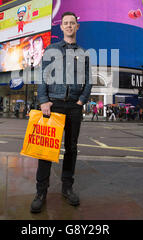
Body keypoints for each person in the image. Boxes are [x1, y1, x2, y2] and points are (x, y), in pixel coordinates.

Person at [31, 11, 92, 214]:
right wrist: (43, 100)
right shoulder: (51, 49)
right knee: (46, 149)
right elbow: (43, 76)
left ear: (77, 26)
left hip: (73, 106)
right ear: (61, 27)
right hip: (54, 104)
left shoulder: (83, 53)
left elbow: (88, 81)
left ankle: (67, 188)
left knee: (72, 148)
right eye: (65, 23)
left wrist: (81, 100)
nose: (68, 26)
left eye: (72, 23)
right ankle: (41, 192)